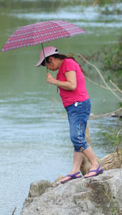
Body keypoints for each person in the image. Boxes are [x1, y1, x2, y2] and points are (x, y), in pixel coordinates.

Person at [36, 46, 103, 183]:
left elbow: (72, 85)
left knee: (77, 137)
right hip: (73, 107)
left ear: (51, 59)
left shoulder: (68, 64)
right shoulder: (64, 66)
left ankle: (95, 165)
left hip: (79, 105)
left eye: (46, 64)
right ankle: (75, 171)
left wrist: (54, 81)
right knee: (77, 140)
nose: (47, 68)